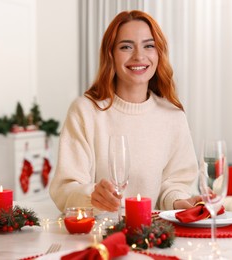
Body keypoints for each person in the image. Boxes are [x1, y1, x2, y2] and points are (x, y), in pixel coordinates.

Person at [49, 10, 201, 214]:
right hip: (95, 237)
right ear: (110, 54)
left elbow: (174, 185)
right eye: (126, 47)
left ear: (159, 54)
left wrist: (178, 202)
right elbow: (65, 190)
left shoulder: (173, 116)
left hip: (152, 235)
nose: (139, 56)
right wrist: (91, 195)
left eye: (149, 46)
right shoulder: (85, 111)